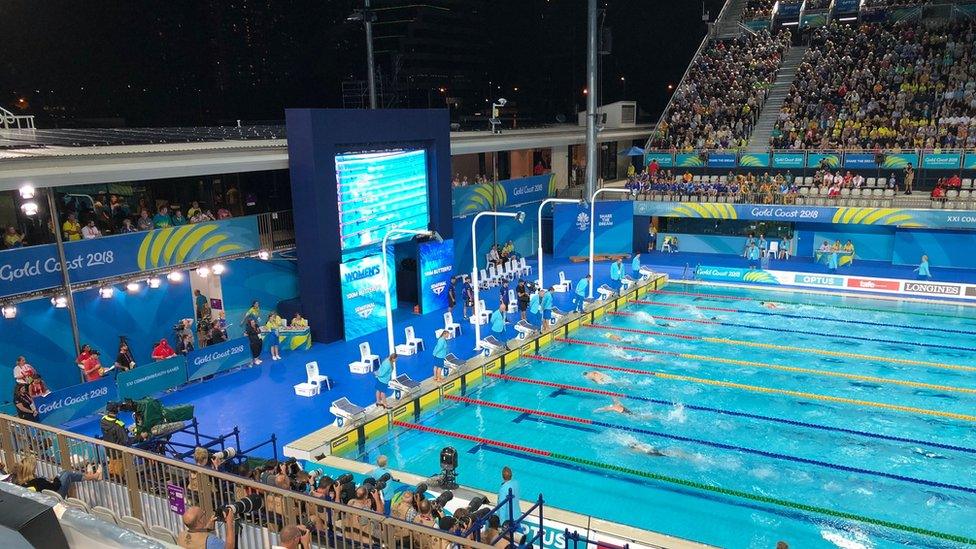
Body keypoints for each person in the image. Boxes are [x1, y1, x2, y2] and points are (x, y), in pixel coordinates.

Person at [12, 455, 102, 499]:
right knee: (67, 474)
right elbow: (56, 485)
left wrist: (52, 479)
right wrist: (55, 479)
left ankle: (90, 476)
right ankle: (94, 476)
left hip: (47, 496)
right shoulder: (38, 481)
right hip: (55, 497)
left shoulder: (20, 482)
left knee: (63, 472)